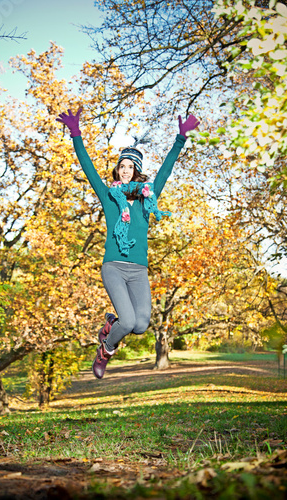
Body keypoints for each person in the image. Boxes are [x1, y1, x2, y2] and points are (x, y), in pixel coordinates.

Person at [56, 108, 200, 379]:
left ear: (136, 172)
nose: (124, 170)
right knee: (129, 320)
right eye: (121, 166)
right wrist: (76, 134)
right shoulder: (109, 197)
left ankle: (111, 324)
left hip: (138, 271)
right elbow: (87, 167)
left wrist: (180, 139)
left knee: (141, 325)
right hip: (113, 267)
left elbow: (166, 172)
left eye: (130, 167)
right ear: (118, 169)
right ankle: (105, 350)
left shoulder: (148, 199)